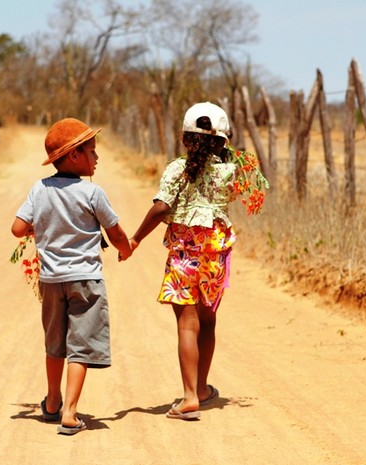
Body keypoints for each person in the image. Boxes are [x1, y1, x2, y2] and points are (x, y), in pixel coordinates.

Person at [11, 117, 132, 435]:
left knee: (55, 342)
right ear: (74, 155)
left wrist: (44, 227)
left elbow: (17, 229)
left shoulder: (40, 188)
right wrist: (126, 247)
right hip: (86, 280)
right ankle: (71, 412)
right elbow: (115, 231)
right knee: (80, 344)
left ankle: (52, 401)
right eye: (92, 151)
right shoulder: (92, 193)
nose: (96, 157)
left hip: (51, 281)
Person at [129, 102, 238, 420]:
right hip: (215, 253)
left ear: (184, 138)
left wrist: (135, 238)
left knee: (186, 325)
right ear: (222, 140)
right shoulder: (228, 172)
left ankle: (190, 396)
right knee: (207, 320)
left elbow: (163, 208)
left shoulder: (177, 169)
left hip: (185, 253)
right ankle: (202, 389)